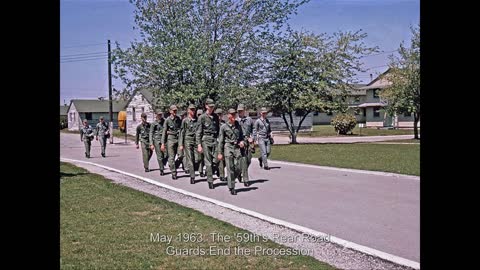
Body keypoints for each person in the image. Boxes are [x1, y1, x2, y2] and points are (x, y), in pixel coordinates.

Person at [217, 108, 246, 195]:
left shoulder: (238, 125)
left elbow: (242, 136)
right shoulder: (224, 127)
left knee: (239, 166)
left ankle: (232, 179)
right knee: (230, 168)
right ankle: (232, 187)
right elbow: (221, 141)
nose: (233, 116)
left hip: (237, 148)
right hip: (228, 147)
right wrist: (219, 153)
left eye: (235, 114)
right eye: (232, 114)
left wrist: (242, 142)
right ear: (228, 115)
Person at [196, 98, 220, 189]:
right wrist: (199, 145)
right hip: (205, 140)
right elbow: (198, 132)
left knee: (217, 160)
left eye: (213, 107)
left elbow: (218, 130)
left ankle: (210, 171)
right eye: (210, 106)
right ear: (206, 106)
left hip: (214, 139)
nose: (211, 108)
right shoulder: (202, 117)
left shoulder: (215, 117)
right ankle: (210, 181)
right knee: (208, 162)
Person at [179, 104, 199, 184]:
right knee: (190, 158)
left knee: (197, 158)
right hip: (187, 140)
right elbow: (182, 132)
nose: (192, 111)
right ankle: (192, 176)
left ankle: (193, 170)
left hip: (195, 141)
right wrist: (181, 144)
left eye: (194, 109)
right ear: (188, 110)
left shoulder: (197, 120)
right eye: (191, 109)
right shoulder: (185, 121)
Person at [161, 105, 182, 180]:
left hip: (178, 139)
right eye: (173, 111)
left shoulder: (178, 119)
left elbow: (181, 130)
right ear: (170, 111)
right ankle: (174, 172)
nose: (175, 112)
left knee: (181, 155)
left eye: (176, 110)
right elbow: (164, 132)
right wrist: (163, 143)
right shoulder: (167, 120)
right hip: (170, 139)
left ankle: (173, 166)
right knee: (171, 157)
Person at [237, 104, 254, 185]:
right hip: (240, 142)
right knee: (243, 160)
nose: (240, 112)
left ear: (244, 111)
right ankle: (245, 179)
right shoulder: (236, 121)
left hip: (248, 141)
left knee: (249, 159)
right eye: (238, 111)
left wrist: (252, 137)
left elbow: (253, 129)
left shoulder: (249, 120)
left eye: (241, 111)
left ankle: (240, 172)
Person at [150, 110, 168, 175]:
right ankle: (161, 169)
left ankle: (163, 162)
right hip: (157, 140)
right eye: (159, 115)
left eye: (161, 114)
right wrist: (151, 144)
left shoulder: (165, 121)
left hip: (164, 139)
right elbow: (151, 133)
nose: (160, 116)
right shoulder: (154, 123)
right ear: (156, 115)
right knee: (159, 155)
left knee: (167, 154)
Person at [215, 108, 226, 182]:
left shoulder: (224, 123)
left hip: (223, 142)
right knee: (219, 159)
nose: (219, 116)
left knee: (224, 159)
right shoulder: (213, 123)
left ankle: (219, 170)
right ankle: (221, 174)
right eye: (217, 114)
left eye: (220, 114)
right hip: (215, 142)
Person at [196, 109, 205, 178]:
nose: (199, 116)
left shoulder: (203, 121)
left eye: (200, 115)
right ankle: (199, 169)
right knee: (198, 157)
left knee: (202, 157)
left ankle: (201, 171)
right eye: (198, 115)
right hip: (195, 141)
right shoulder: (194, 121)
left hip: (203, 140)